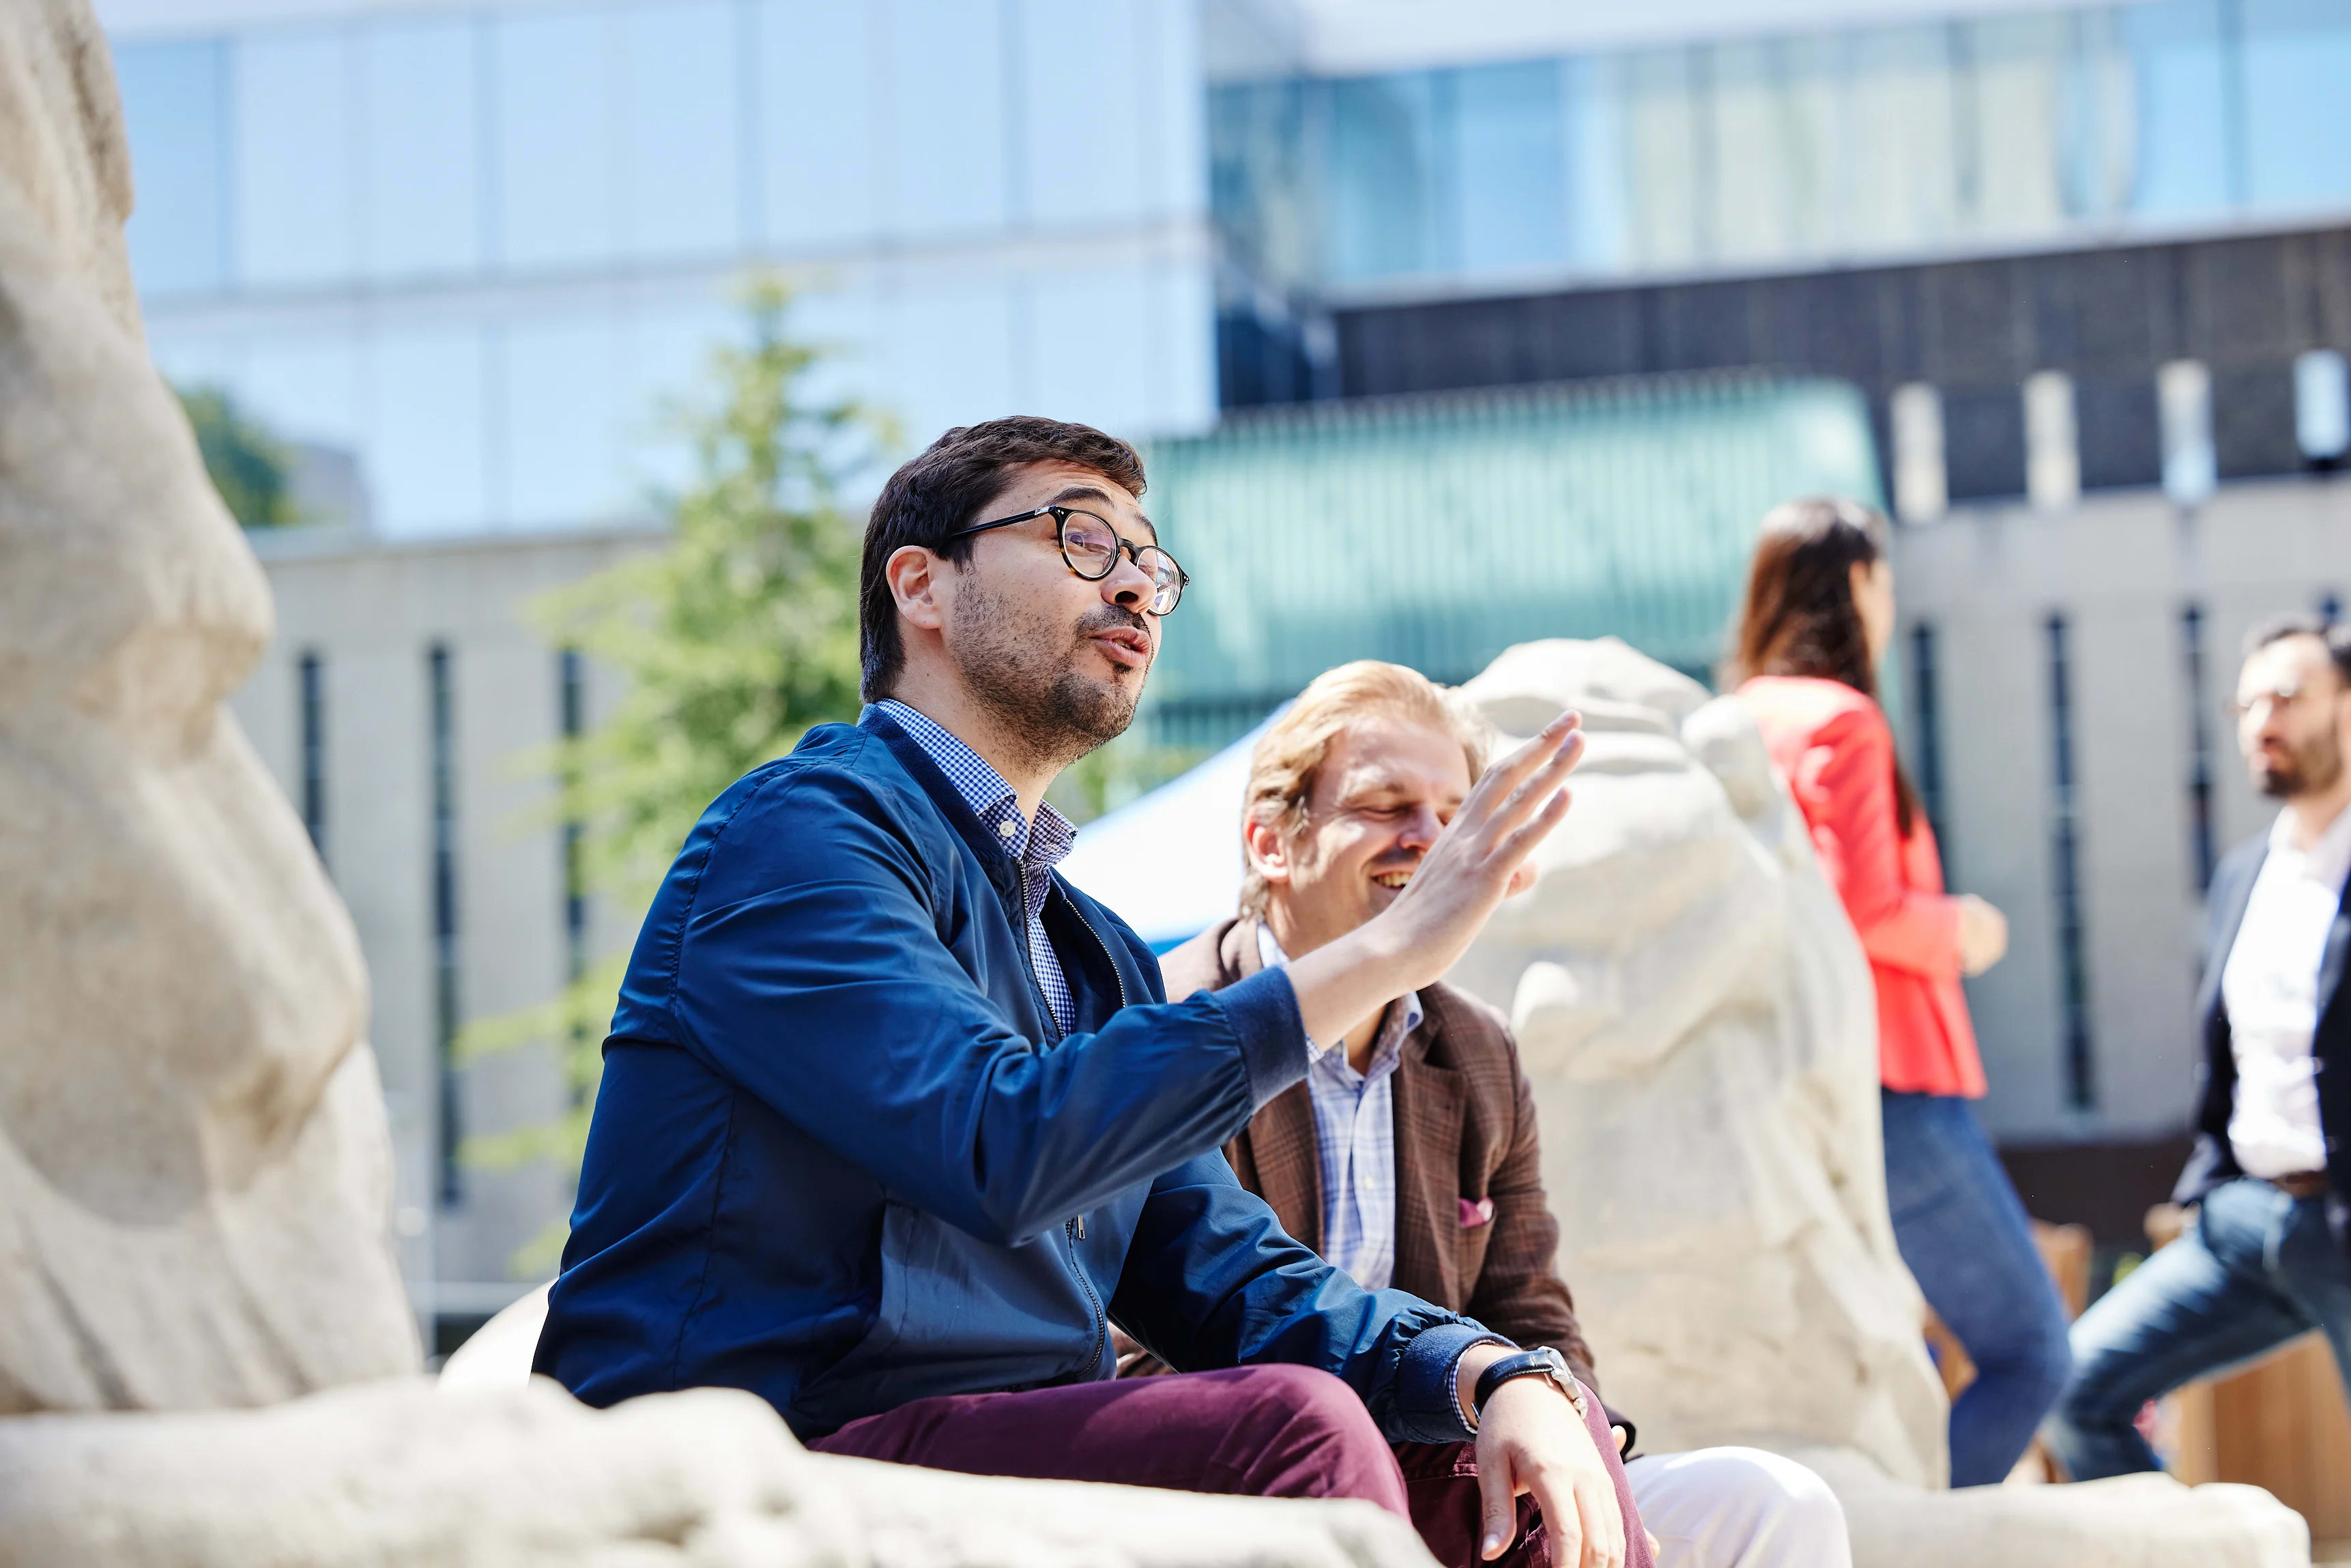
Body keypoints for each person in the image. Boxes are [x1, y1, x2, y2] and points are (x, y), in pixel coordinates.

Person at [534, 417, 1649, 1568]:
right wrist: (1390, 949)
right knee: (1293, 1434)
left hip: (998, 1453)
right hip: (776, 1447)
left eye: (1148, 564)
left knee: (1521, 1459)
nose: (1131, 584)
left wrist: (1486, 1370)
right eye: (1079, 537)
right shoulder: (799, 836)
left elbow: (1226, 1273)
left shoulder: (1089, 944)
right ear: (920, 583)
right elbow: (995, 1137)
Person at [1154, 660, 1853, 1568]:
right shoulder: (1176, 1021)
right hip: (1255, 1486)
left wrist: (1566, 1440)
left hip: (1462, 1464)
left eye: (1453, 815)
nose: (1430, 841)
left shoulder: (1477, 1048)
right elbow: (1149, 1352)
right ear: (1272, 844)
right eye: (1386, 803)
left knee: (1772, 1504)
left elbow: (1534, 1315)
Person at [1731, 497, 2071, 1487]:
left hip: (1794, 1094)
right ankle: (1923, 1541)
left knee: (1892, 1358)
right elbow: (1865, 907)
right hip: (1897, 1086)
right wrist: (1965, 929)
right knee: (2030, 1351)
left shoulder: (1740, 719)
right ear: (1857, 586)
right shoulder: (1840, 718)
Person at [2045, 614, 2351, 1479]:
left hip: (2342, 1221)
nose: (2261, 722)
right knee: (2071, 1392)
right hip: (2244, 1223)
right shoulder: (2242, 874)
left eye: (2288, 697)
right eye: (2246, 703)